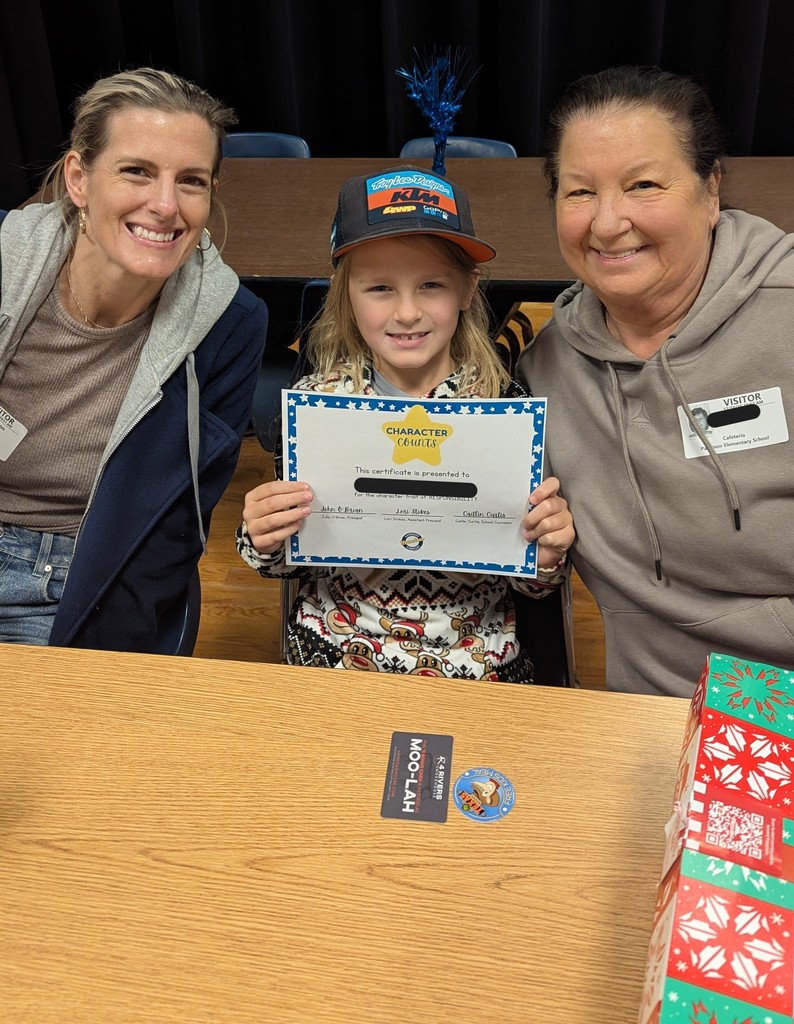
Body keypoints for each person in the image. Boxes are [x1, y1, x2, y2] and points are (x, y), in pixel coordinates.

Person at [517, 65, 794, 698]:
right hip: (652, 715)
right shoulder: (543, 374)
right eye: (579, 191)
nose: (608, 223)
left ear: (711, 189)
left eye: (643, 184)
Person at [237, 167, 574, 682]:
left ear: (466, 290)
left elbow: (534, 586)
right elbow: (287, 559)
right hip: (331, 659)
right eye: (379, 288)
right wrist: (263, 537)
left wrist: (546, 556)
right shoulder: (318, 406)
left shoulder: (505, 409)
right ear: (346, 293)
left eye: (431, 285)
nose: (408, 312)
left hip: (480, 668)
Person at [0, 67, 267, 650]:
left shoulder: (231, 324)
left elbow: (174, 526)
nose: (165, 205)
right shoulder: (5, 267)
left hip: (79, 577)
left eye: (191, 181)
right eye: (136, 172)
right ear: (78, 178)